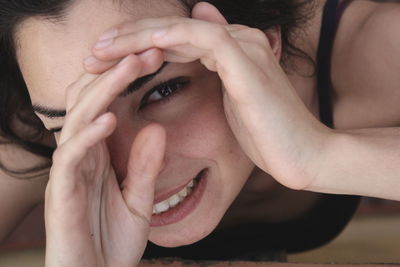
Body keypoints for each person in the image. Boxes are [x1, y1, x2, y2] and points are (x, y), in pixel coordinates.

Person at [0, 0, 399, 265]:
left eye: (162, 91)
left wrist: (322, 156)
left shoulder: (378, 49)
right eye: (71, 120)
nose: (128, 166)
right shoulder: (36, 142)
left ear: (260, 41)